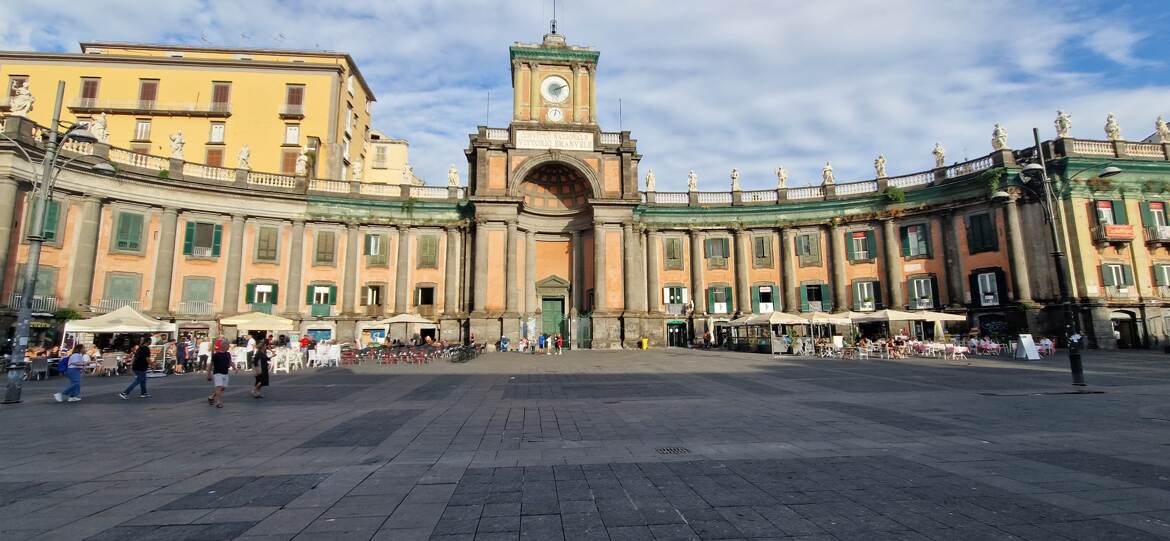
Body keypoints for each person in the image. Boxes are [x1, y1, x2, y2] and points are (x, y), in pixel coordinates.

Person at [207, 338, 236, 408]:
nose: (228, 347)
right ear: (223, 346)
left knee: (223, 388)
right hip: (217, 373)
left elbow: (230, 362)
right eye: (228, 346)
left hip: (225, 373)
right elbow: (211, 364)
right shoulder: (216, 355)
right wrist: (209, 374)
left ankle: (211, 397)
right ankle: (218, 402)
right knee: (219, 387)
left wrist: (235, 368)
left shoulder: (228, 354)